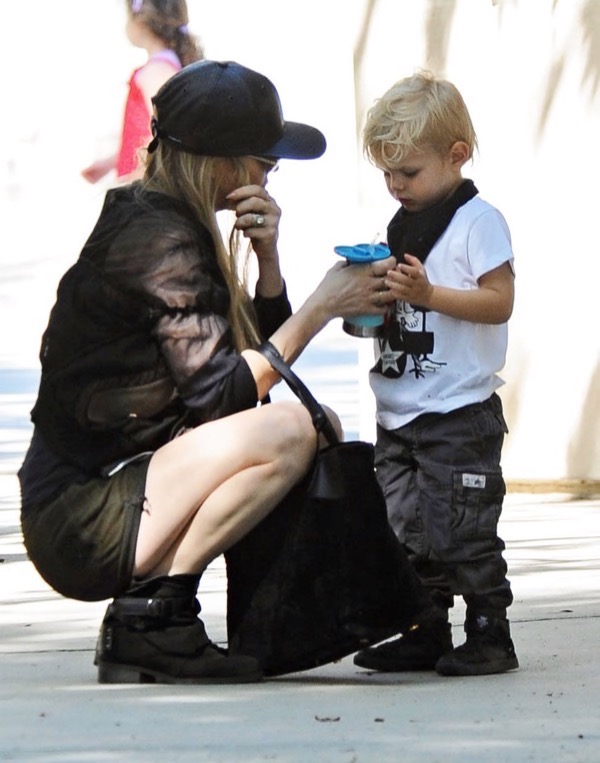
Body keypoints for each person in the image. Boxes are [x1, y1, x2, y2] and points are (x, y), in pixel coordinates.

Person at [18, 59, 401, 685]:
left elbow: (245, 369)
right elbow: (224, 397)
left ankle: (160, 617)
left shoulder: (166, 221)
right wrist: (322, 308)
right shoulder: (158, 243)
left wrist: (269, 262)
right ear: (221, 164)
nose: (269, 177)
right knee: (294, 430)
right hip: (81, 517)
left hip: (121, 493)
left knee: (315, 426)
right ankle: (153, 615)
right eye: (264, 162)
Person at [352, 71, 518, 677]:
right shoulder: (400, 224)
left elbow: (499, 302)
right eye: (386, 173)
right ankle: (424, 629)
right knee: (405, 532)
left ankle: (490, 633)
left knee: (462, 530)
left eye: (408, 172)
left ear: (456, 156)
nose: (396, 185)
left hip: (458, 411)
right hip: (399, 412)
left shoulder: (478, 222)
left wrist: (428, 294)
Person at [81, 0, 204, 185]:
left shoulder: (157, 71)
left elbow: (166, 130)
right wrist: (111, 163)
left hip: (145, 188)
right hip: (141, 186)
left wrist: (136, 177)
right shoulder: (160, 67)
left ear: (140, 21)